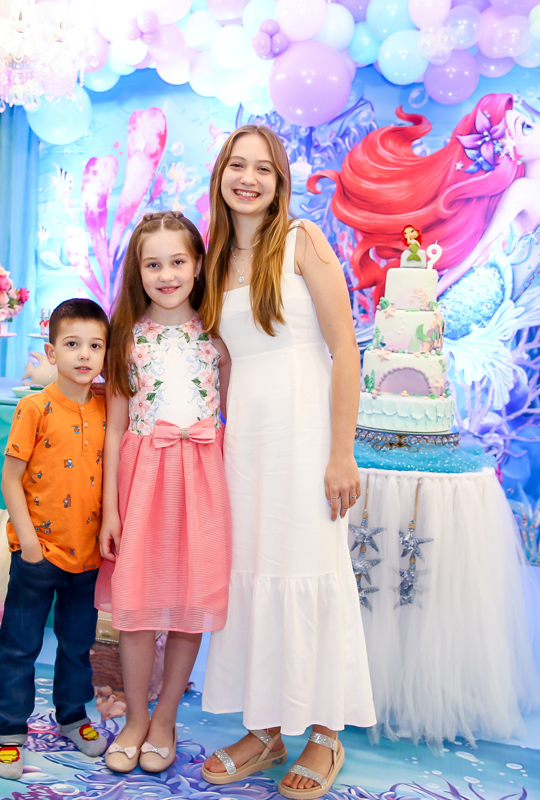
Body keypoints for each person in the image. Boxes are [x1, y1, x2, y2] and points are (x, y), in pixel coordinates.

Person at [198, 125, 375, 800]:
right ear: (220, 175)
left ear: (280, 183)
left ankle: (325, 733)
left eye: (263, 169)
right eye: (237, 166)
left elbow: (345, 348)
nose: (248, 179)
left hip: (306, 437)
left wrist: (341, 451)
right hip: (246, 442)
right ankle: (265, 727)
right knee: (254, 571)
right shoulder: (213, 260)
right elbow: (223, 361)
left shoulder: (303, 240)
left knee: (310, 570)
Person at [94, 211, 232, 774]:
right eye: (153, 264)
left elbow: (234, 416)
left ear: (198, 265)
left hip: (201, 480)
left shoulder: (218, 338)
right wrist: (110, 509)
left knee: (186, 608)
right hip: (142, 481)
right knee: (135, 610)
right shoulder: (126, 339)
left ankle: (166, 718)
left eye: (178, 261)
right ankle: (134, 718)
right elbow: (114, 429)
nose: (166, 274)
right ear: (138, 271)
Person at [309, 94, 540, 338]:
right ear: (511, 149)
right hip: (492, 295)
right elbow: (481, 245)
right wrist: (432, 295)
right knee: (421, 342)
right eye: (526, 128)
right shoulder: (522, 190)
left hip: (531, 300)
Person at [0, 298, 111, 780]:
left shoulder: (108, 409)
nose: (84, 355)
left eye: (95, 346)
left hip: (88, 557)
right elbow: (10, 479)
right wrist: (29, 542)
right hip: (38, 553)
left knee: (77, 645)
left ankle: (73, 717)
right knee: (19, 646)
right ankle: (10, 732)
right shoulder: (34, 407)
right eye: (73, 344)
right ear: (52, 351)